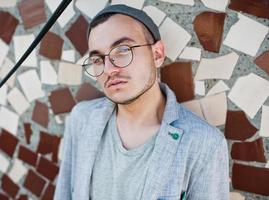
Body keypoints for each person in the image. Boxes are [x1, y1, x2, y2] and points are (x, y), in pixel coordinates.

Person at [54, 4, 229, 200]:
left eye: (122, 50)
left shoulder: (204, 143)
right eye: (97, 60)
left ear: (157, 54)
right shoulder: (82, 118)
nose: (109, 69)